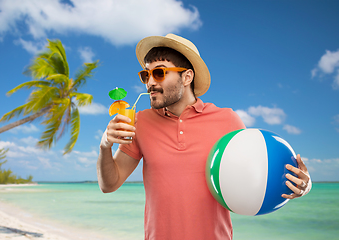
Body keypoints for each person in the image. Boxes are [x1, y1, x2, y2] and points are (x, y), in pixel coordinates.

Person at [97, 33, 312, 240]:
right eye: (146, 75)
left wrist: (303, 186)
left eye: (159, 73)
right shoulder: (140, 122)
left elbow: (257, 174)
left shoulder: (227, 120)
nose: (150, 83)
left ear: (187, 76)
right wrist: (105, 145)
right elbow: (109, 184)